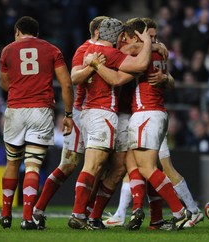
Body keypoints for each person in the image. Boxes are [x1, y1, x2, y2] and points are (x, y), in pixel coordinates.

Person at [89, 18, 192, 231]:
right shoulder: (155, 52)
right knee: (140, 167)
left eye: (155, 37)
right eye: (150, 36)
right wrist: (153, 45)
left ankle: (180, 212)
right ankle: (155, 217)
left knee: (145, 167)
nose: (154, 40)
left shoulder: (139, 52)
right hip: (154, 113)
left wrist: (146, 44)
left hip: (144, 114)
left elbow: (120, 71)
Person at [67, 17, 152, 230]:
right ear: (116, 36)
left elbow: (75, 77)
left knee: (115, 168)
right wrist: (150, 42)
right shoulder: (112, 54)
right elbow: (140, 64)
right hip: (102, 113)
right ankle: (78, 214)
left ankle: (93, 216)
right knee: (94, 165)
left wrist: (93, 66)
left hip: (89, 113)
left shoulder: (85, 50)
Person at [32, 16, 108, 228]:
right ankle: (74, 212)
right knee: (85, 165)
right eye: (108, 29)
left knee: (85, 165)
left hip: (87, 112)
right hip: (85, 112)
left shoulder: (107, 48)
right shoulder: (84, 50)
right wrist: (93, 67)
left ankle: (83, 213)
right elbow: (74, 78)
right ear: (97, 32)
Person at [0, 16, 74, 230]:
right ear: (37, 33)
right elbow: (66, 84)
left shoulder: (7, 50)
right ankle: (27, 218)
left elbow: (5, 84)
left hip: (15, 109)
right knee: (33, 164)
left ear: (17, 31)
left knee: (12, 162)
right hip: (41, 110)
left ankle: (5, 214)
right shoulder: (51, 49)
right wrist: (68, 114)